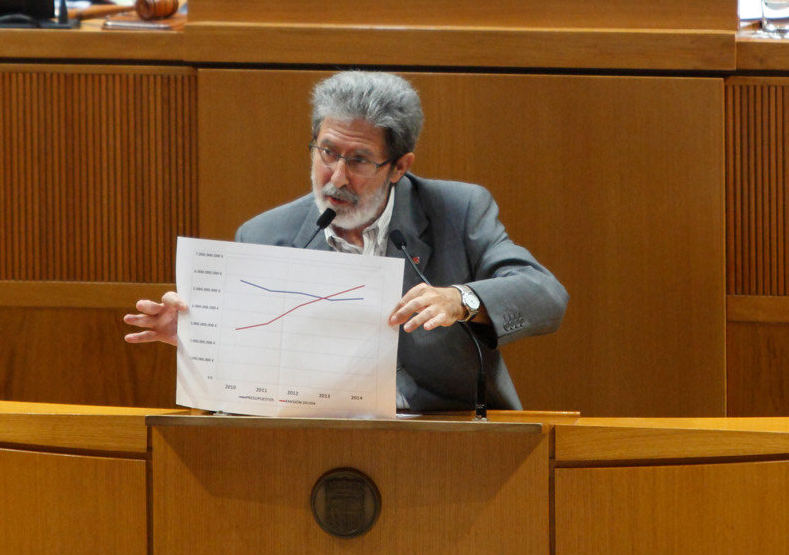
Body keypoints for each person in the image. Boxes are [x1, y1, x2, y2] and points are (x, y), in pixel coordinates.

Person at [124, 70, 569, 412]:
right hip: (319, 437)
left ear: (399, 167)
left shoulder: (458, 211)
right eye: (328, 152)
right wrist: (203, 337)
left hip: (450, 431)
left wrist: (461, 299)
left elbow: (545, 294)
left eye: (358, 160)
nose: (336, 177)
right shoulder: (266, 237)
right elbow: (249, 380)